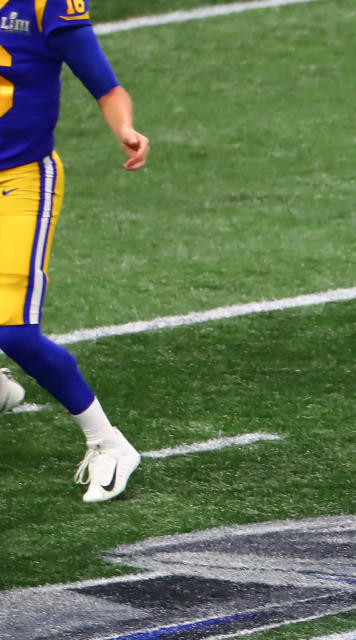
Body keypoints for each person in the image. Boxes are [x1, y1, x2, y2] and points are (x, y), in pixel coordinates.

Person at [0, 0, 149, 502]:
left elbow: (105, 84)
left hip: (19, 179)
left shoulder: (46, 6)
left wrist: (124, 129)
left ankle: (108, 442)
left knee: (16, 332)